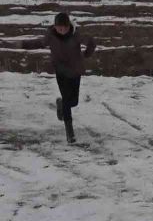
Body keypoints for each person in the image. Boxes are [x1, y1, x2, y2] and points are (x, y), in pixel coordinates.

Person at [1, 12, 95, 143]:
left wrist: (86, 54)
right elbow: (38, 43)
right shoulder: (50, 35)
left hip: (75, 71)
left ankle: (61, 103)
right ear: (55, 26)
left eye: (64, 27)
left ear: (69, 26)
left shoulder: (76, 34)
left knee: (74, 101)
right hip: (61, 71)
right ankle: (70, 134)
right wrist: (18, 44)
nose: (61, 30)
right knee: (68, 101)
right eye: (59, 27)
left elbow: (91, 42)